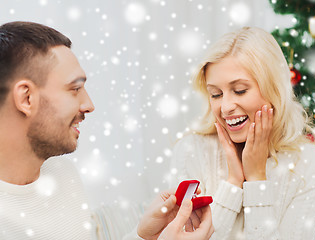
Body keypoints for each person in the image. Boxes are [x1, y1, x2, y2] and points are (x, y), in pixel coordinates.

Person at [0, 21, 213, 240]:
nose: (89, 104)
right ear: (26, 98)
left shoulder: (62, 174)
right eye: (74, 89)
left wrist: (144, 236)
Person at [170, 27, 315, 240]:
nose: (226, 107)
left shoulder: (313, 165)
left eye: (239, 90)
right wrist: (233, 183)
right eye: (216, 94)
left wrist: (257, 179)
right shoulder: (191, 151)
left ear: (273, 90)